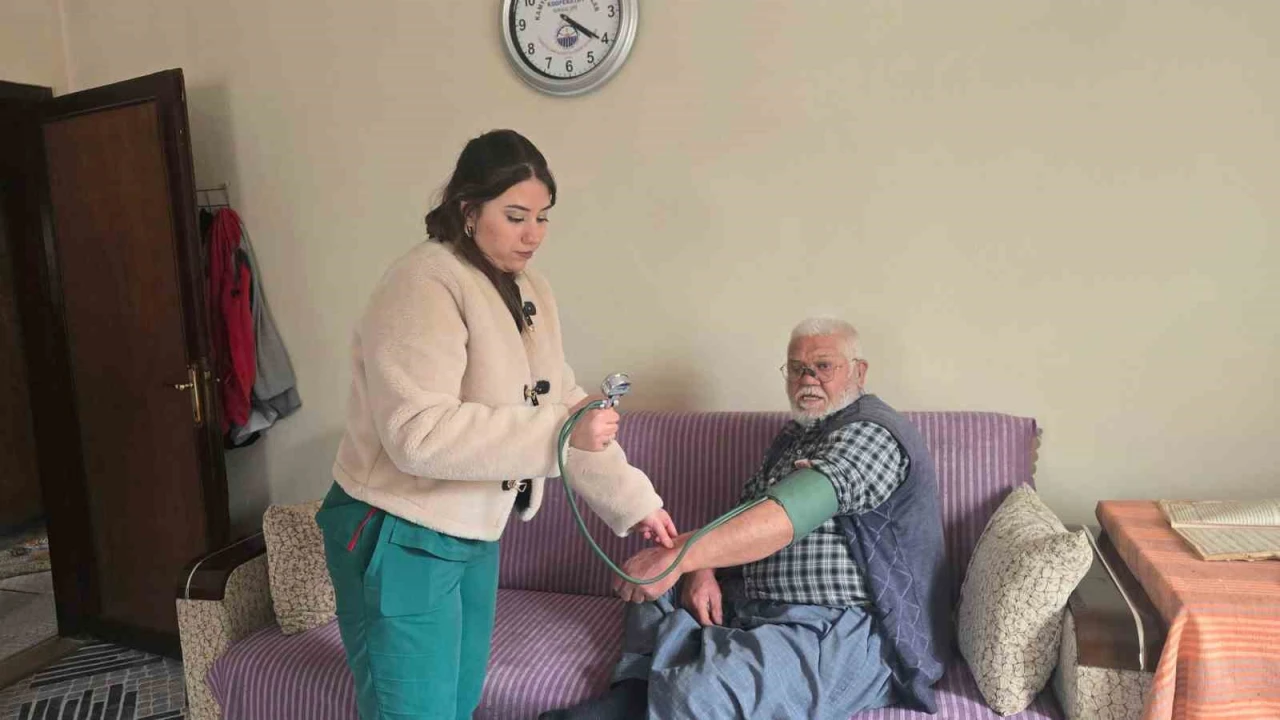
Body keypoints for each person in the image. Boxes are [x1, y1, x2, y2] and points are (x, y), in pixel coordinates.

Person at [316, 129, 678, 720]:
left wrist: (635, 502)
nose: (534, 234)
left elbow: (562, 401)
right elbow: (418, 434)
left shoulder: (528, 288)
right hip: (398, 528)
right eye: (515, 217)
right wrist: (561, 434)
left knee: (459, 706)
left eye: (542, 217)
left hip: (475, 528)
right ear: (468, 210)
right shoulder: (423, 281)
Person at [543, 318, 950, 720]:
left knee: (698, 691)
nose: (807, 379)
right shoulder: (794, 437)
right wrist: (701, 566)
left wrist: (685, 555)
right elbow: (743, 516)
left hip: (844, 625)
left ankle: (663, 693)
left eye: (823, 366)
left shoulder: (875, 432)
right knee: (654, 582)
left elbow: (789, 513)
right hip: (756, 603)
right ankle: (634, 694)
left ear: (859, 372)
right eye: (796, 368)